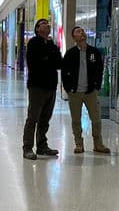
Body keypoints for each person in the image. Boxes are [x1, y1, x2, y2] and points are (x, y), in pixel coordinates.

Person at [61, 26, 110, 154]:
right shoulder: (70, 54)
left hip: (90, 92)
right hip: (75, 93)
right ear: (74, 37)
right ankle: (79, 144)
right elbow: (64, 72)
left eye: (82, 31)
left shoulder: (94, 52)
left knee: (96, 119)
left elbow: (100, 70)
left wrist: (96, 87)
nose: (81, 32)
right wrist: (68, 88)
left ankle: (98, 144)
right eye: (78, 31)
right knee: (76, 120)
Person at [22, 17, 62, 160]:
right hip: (37, 86)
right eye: (43, 24)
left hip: (51, 86)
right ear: (37, 29)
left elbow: (58, 63)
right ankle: (27, 147)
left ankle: (42, 146)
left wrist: (48, 58)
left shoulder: (53, 45)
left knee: (45, 118)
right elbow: (34, 63)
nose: (47, 25)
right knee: (33, 117)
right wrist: (48, 59)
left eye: (47, 24)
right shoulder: (33, 43)